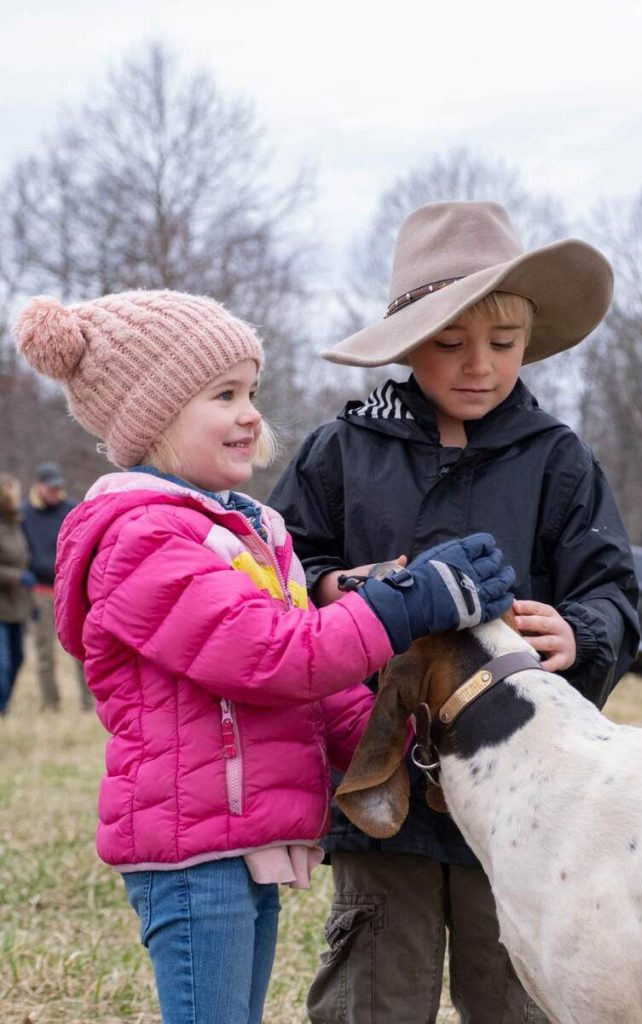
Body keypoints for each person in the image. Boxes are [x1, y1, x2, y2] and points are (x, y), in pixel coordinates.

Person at [13, 288, 516, 1024]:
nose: (251, 413)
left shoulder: (245, 533)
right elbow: (274, 656)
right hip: (189, 856)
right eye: (223, 394)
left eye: (252, 390)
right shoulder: (141, 541)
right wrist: (402, 604)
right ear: (151, 418)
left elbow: (318, 690)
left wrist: (411, 748)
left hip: (242, 838)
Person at [269, 200, 641, 1024]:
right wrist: (337, 587)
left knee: (515, 986)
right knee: (375, 988)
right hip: (380, 770)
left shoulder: (558, 459)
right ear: (408, 344)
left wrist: (582, 630)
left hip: (524, 786)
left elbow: (611, 590)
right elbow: (279, 568)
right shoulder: (340, 450)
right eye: (450, 342)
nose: (480, 365)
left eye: (503, 345)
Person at [21, 460, 93, 710]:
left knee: (84, 650)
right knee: (44, 653)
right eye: (50, 488)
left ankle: (89, 702)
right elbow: (21, 551)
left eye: (58, 488)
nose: (55, 492)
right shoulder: (25, 515)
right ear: (38, 487)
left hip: (72, 588)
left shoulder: (71, 509)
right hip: (41, 590)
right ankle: (51, 704)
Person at [0, 473, 34, 715]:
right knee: (2, 663)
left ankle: (5, 707)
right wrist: (17, 577)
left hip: (17, 605)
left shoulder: (17, 524)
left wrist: (32, 603)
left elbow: (24, 562)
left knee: (18, 658)